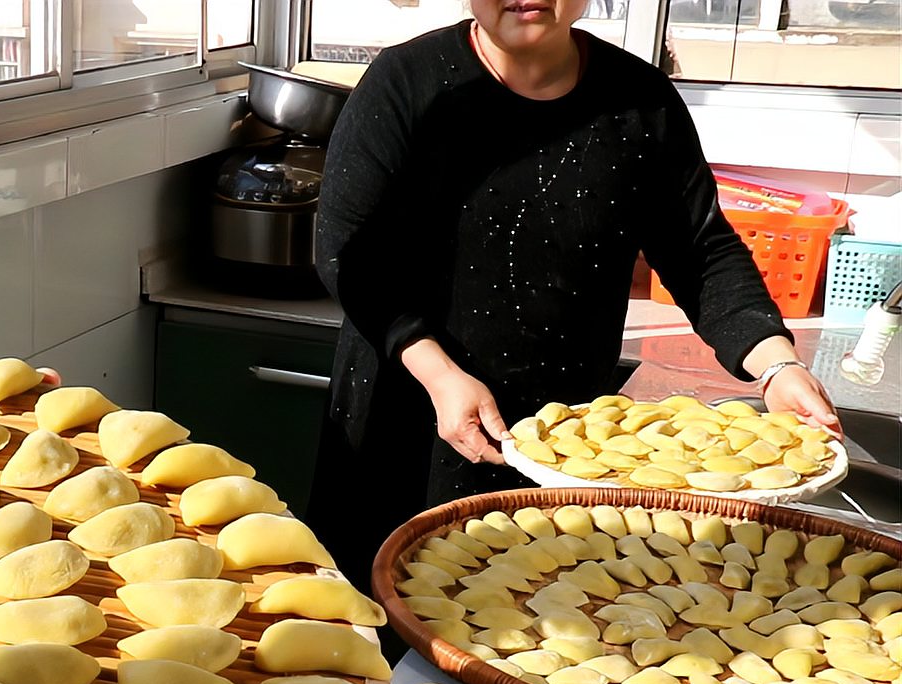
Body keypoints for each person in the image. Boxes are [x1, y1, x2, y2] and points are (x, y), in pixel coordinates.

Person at [304, 0, 841, 590]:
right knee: (375, 628)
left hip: (566, 442)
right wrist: (438, 374)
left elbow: (699, 249)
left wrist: (776, 364)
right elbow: (349, 252)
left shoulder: (639, 99)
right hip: (405, 414)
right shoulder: (409, 83)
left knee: (535, 618)